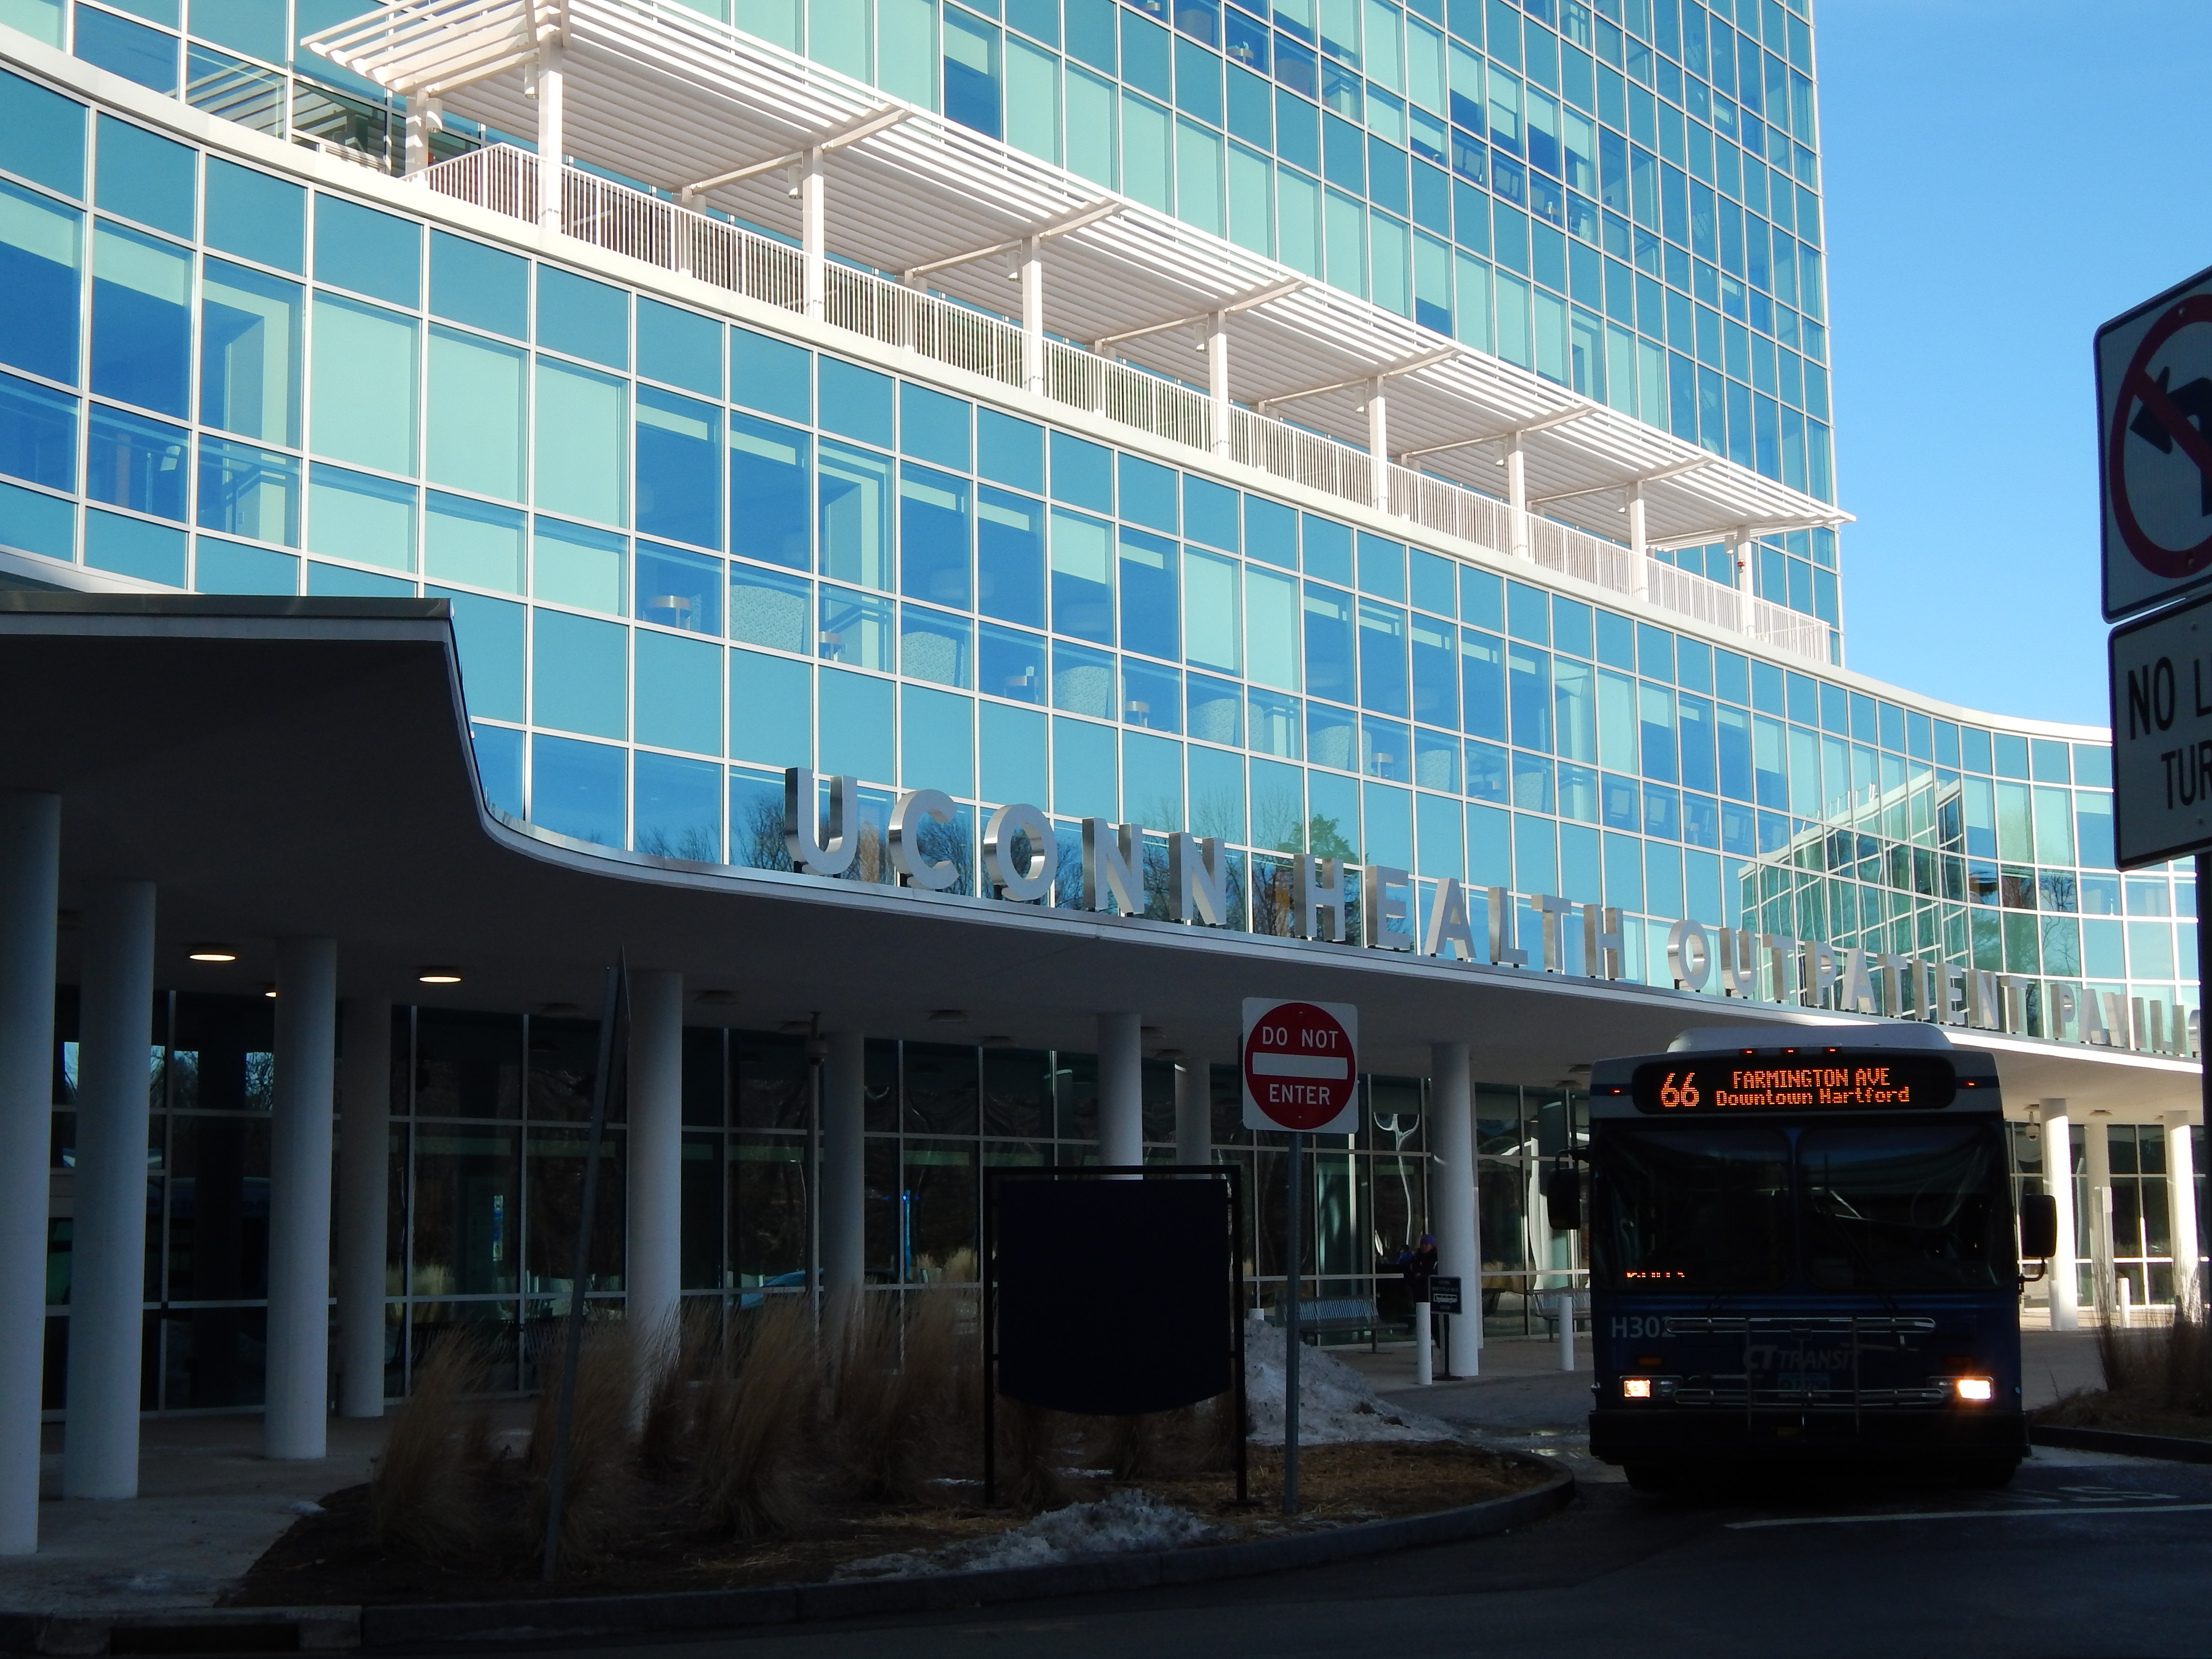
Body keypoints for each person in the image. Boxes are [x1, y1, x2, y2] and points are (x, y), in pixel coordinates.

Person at [1395, 1234, 1439, 1300]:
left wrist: (1422, 1276)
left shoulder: (1435, 1259)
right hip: (1416, 1290)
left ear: (1432, 1246)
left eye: (1426, 1244)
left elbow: (1435, 1273)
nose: (1423, 1246)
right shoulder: (1415, 1258)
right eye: (1422, 1244)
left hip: (1430, 1291)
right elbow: (1408, 1271)